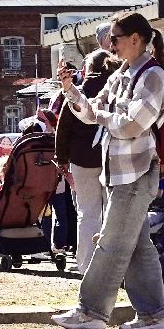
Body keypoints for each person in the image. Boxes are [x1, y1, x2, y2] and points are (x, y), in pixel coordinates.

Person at [51, 10, 164, 329]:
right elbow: (92, 112)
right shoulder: (122, 73)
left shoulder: (152, 76)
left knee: (111, 243)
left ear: (136, 39)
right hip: (121, 174)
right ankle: (155, 315)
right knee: (136, 246)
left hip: (135, 175)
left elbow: (133, 124)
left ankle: (91, 310)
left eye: (116, 38)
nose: (111, 44)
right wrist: (70, 90)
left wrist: (105, 116)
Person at [53, 50, 118, 275]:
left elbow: (63, 130)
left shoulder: (76, 93)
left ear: (87, 68)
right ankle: (111, 267)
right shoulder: (115, 91)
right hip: (111, 159)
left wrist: (62, 160)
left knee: (88, 214)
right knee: (112, 214)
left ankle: (86, 266)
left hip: (81, 161)